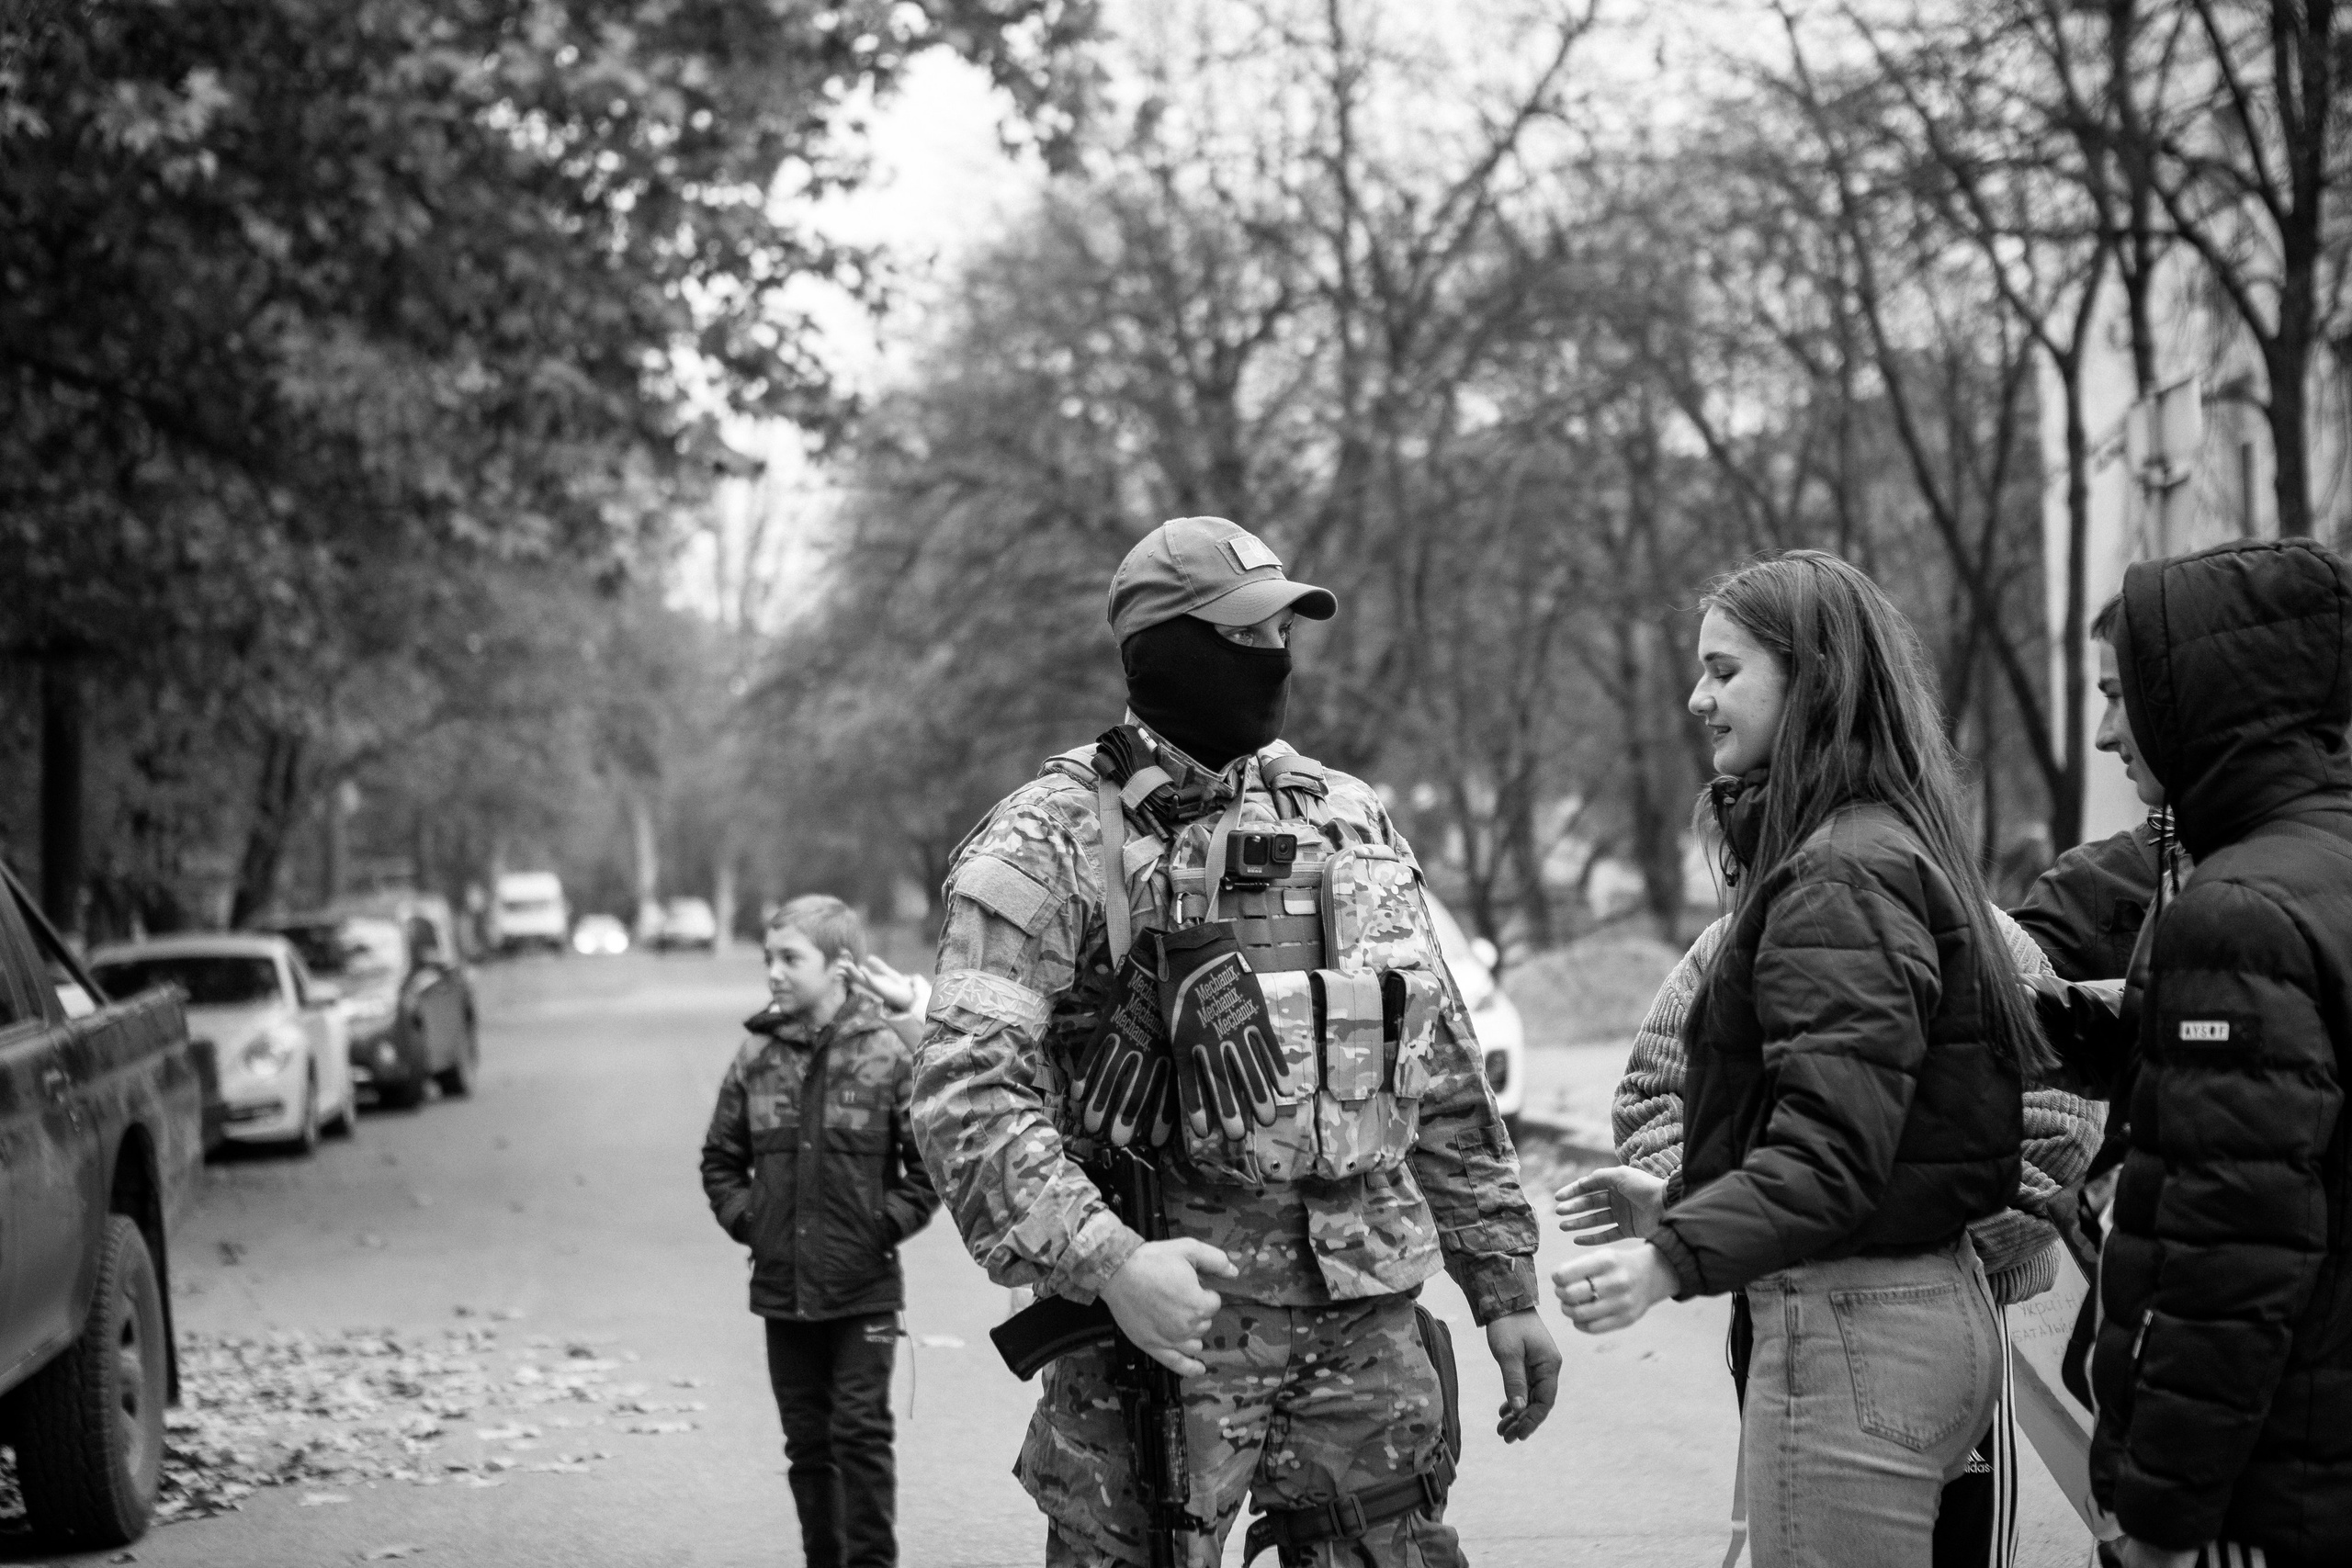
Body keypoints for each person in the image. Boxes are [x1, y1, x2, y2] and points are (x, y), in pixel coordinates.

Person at [911, 515, 1559, 1567]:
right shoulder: (1049, 836)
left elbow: (1432, 1060)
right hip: (1164, 1343)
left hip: (1366, 1332)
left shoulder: (1346, 817)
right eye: (1241, 635)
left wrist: (1504, 1287)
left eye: (1282, 634)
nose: (1271, 659)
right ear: (1156, 650)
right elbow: (963, 1097)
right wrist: (1111, 1261)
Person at [1552, 549, 2043, 1565]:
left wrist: (1665, 1261)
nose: (1697, 699)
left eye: (1724, 672)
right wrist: (1693, 1196)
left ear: (1812, 679)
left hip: (1853, 1329)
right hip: (1899, 1315)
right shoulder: (1874, 846)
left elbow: (1831, 1155)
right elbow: (1886, 1125)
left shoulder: (1839, 876)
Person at [2041, 539, 2352, 1568]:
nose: (2102, 736)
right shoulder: (2320, 871)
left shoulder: (2235, 914)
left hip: (2263, 1502)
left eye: (2128, 697)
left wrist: (2162, 1523)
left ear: (2208, 699)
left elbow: (2228, 1260)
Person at [699, 896, 940, 1568]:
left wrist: (882, 1224)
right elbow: (720, 1158)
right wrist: (751, 1223)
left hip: (864, 1287)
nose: (773, 972)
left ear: (838, 966)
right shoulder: (756, 1055)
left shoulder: (888, 1051)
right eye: (768, 958)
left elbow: (927, 1163)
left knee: (860, 1434)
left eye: (788, 958)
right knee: (807, 1442)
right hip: (782, 1287)